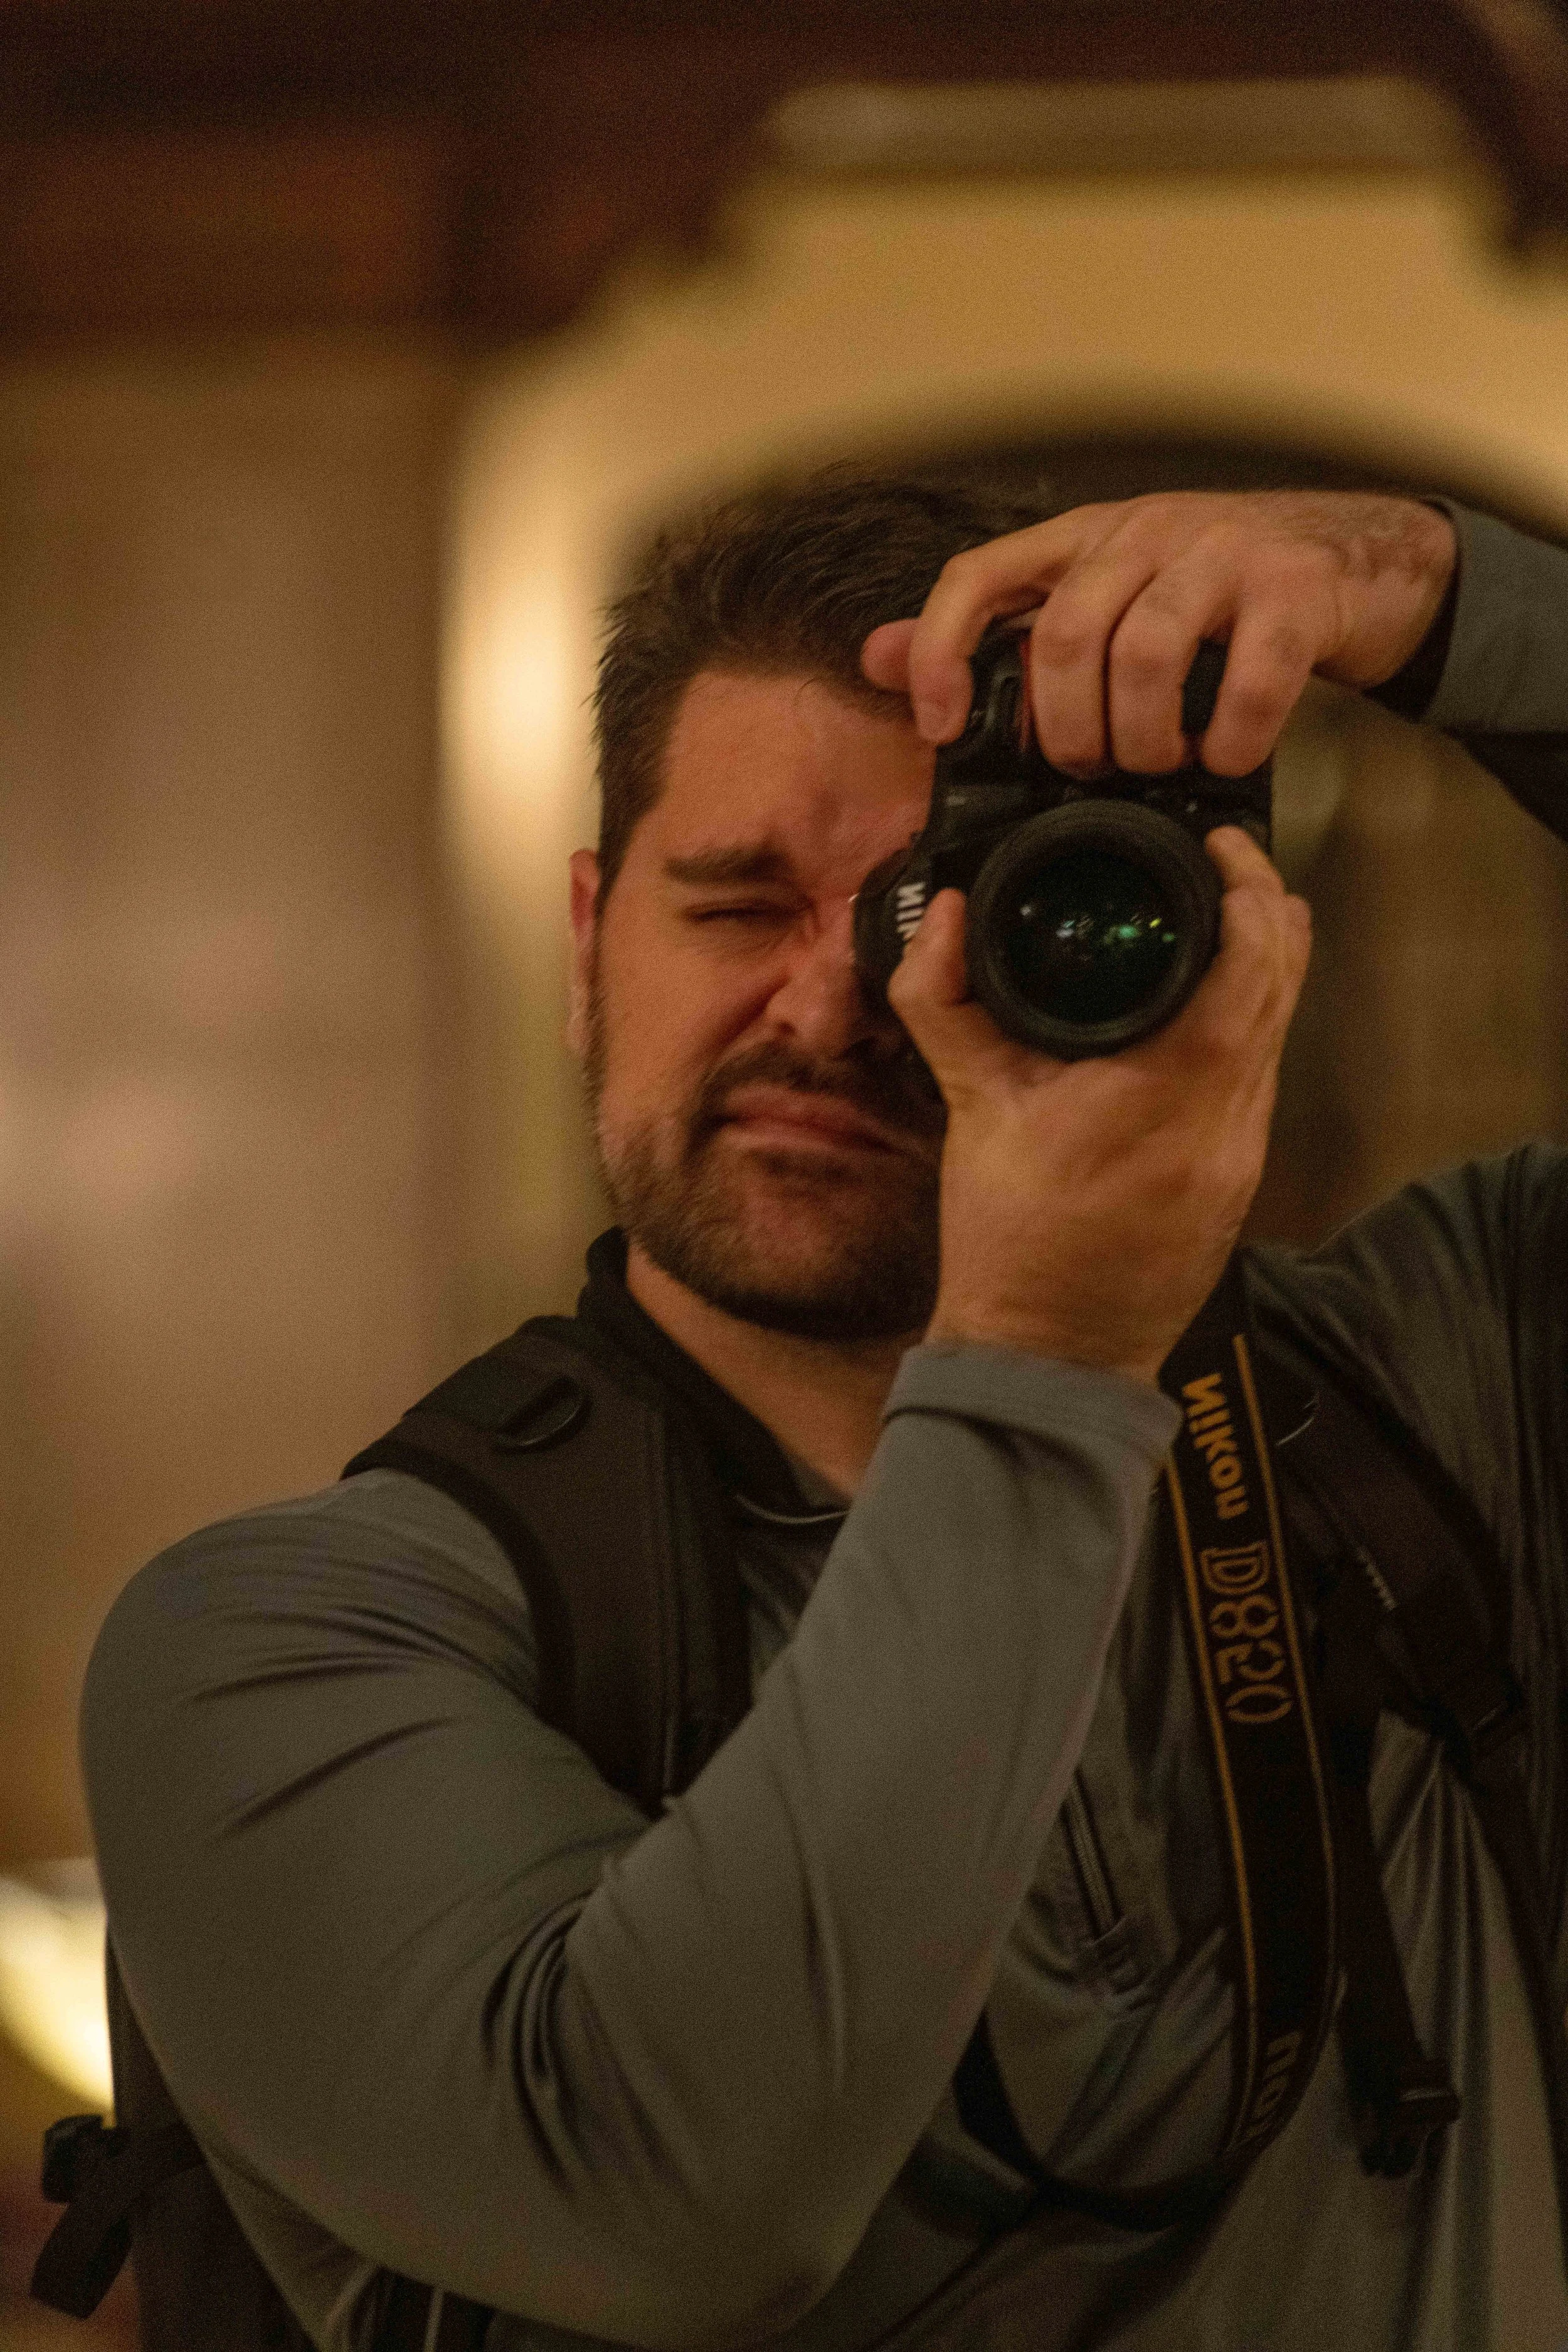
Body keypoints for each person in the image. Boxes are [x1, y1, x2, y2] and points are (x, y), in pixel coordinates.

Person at [81, 473, 1568, 2352]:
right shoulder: (289, 1643)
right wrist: (1044, 1356)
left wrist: (1451, 606)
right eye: (734, 903)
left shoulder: (1447, 1388)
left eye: (951, 911)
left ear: (1217, 953)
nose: (837, 1001)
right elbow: (673, 2204)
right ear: (588, 939)